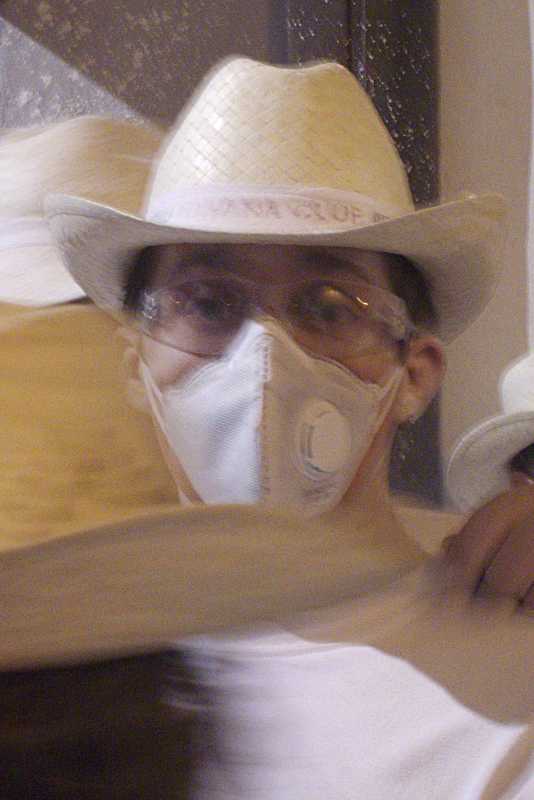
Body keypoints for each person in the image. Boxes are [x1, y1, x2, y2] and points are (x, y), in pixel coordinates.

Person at [40, 57, 534, 797]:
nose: (264, 357)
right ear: (134, 366)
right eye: (207, 303)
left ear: (416, 374)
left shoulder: (513, 686)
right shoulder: (57, 672)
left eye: (330, 306)